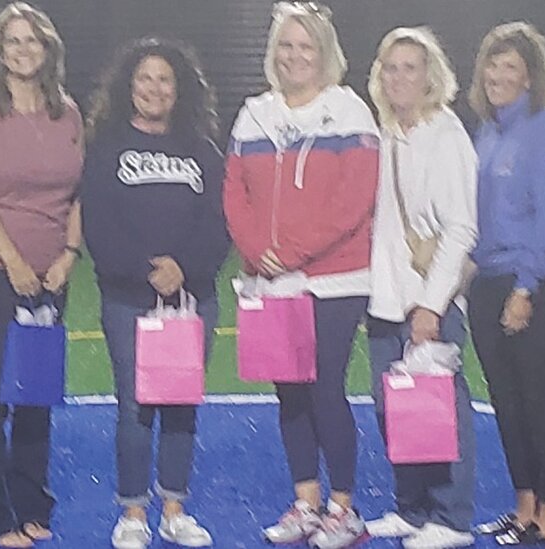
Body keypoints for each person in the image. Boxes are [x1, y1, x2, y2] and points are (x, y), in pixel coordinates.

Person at [222, 3, 380, 548]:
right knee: (289, 392)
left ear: (325, 52)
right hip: (270, 278)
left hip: (334, 279)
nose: (295, 56)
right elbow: (235, 189)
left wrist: (292, 251)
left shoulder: (349, 110)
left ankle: (344, 508)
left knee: (324, 387)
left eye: (305, 46)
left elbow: (354, 201)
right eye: (286, 46)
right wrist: (255, 249)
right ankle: (306, 502)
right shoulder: (254, 113)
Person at [81, 38, 230, 549]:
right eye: (145, 78)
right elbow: (98, 224)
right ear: (129, 85)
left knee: (181, 404)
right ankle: (132, 513)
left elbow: (219, 221)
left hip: (191, 301)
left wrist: (183, 268)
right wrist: (148, 271)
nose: (154, 88)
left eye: (164, 79)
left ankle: (174, 509)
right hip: (129, 299)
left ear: (179, 89)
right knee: (134, 407)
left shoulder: (203, 150)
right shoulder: (105, 148)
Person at [0, 3, 83, 547]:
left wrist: (69, 253)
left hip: (52, 276)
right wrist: (13, 262)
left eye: (32, 40)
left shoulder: (70, 113)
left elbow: (78, 192)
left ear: (47, 48)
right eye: (13, 41)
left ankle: (32, 504)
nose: (23, 49)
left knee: (36, 392)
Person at [464, 22, 545, 546]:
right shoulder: (486, 132)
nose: (498, 74)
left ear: (532, 76)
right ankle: (525, 509)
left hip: (536, 283)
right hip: (489, 282)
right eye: (493, 63)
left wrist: (525, 288)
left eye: (511, 65)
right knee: (508, 402)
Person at [361, 26, 478, 549]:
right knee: (397, 407)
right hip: (386, 299)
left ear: (431, 76)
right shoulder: (388, 131)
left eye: (411, 67)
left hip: (428, 302)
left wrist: (433, 304)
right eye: (391, 67)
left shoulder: (446, 136)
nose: (399, 77)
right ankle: (412, 509)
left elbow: (461, 229)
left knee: (440, 407)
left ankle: (451, 518)